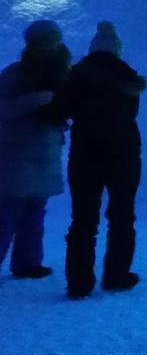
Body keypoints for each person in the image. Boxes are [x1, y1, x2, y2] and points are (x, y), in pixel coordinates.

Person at [61, 21, 147, 298]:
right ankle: (116, 275)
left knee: (82, 219)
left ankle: (79, 283)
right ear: (117, 50)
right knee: (122, 216)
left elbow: (63, 109)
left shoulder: (76, 76)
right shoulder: (129, 77)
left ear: (92, 49)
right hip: (124, 154)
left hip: (85, 153)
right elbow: (130, 114)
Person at [0, 19, 72, 280]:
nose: (51, 46)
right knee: (6, 215)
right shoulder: (15, 74)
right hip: (16, 154)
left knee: (35, 212)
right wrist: (36, 100)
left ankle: (28, 263)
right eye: (45, 41)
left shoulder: (62, 74)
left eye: (54, 40)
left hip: (45, 152)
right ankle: (25, 262)